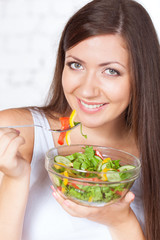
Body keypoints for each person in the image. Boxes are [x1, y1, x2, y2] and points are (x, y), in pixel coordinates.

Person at [0, 0, 160, 239]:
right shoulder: (17, 133)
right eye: (76, 65)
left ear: (141, 76)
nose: (87, 90)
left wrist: (121, 221)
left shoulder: (153, 151)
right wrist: (16, 177)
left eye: (111, 71)